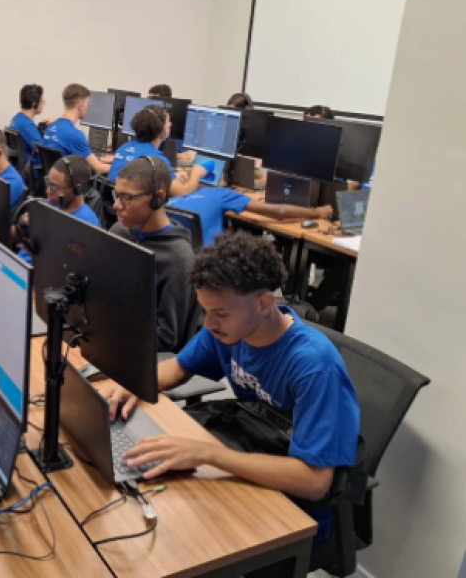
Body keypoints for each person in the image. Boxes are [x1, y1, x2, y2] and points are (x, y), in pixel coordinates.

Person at [104, 231, 359, 540]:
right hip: (251, 451)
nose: (209, 324)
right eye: (205, 311)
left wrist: (208, 454)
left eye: (220, 314)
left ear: (264, 303)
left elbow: (314, 482)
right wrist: (136, 383)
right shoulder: (230, 330)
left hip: (294, 509)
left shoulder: (315, 366)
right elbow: (180, 367)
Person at [109, 158, 201, 353]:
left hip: (140, 353)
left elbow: (167, 338)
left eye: (127, 198)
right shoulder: (119, 232)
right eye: (116, 195)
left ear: (157, 198)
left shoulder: (179, 260)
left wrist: (112, 333)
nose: (116, 205)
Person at [169, 188, 333, 247]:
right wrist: (317, 212)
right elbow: (279, 212)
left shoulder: (171, 203)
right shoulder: (219, 194)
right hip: (207, 267)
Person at [109, 105, 208, 196]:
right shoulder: (156, 160)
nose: (170, 124)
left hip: (113, 205)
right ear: (160, 131)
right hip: (134, 208)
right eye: (168, 121)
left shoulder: (123, 148)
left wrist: (171, 177)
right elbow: (183, 192)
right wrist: (196, 173)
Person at [16, 155, 99, 263]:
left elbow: (76, 266)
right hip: (18, 264)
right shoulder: (48, 204)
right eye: (48, 183)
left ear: (77, 189)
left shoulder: (87, 223)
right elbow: (14, 235)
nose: (47, 191)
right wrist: (22, 223)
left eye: (55, 188)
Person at [40, 84, 112, 175]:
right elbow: (99, 168)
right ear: (80, 105)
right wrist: (121, 165)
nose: (88, 108)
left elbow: (84, 155)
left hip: (53, 179)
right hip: (69, 181)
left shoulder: (51, 127)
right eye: (87, 104)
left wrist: (103, 159)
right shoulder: (74, 135)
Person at [9, 84, 53, 167]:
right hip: (35, 168)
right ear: (34, 104)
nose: (43, 105)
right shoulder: (27, 125)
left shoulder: (17, 119)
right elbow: (41, 150)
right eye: (42, 102)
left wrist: (40, 128)